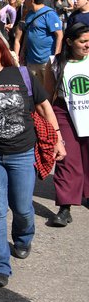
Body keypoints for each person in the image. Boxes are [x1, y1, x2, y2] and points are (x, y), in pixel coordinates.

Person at [0, 28, 64, 289]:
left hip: (22, 151)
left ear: (1, 49)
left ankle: (23, 237)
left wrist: (58, 138)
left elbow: (43, 107)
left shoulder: (22, 74)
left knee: (22, 207)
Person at [46, 23, 89, 227]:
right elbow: (47, 95)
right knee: (66, 157)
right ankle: (65, 206)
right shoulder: (54, 63)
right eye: (83, 41)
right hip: (65, 113)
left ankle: (87, 194)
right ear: (70, 42)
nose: (88, 45)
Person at [14, 0, 63, 93]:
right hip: (31, 60)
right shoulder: (29, 14)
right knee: (35, 90)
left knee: (49, 90)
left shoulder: (49, 14)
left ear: (31, 0)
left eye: (25, 0)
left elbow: (59, 35)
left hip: (46, 60)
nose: (24, 2)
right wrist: (23, 51)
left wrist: (56, 56)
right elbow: (28, 33)